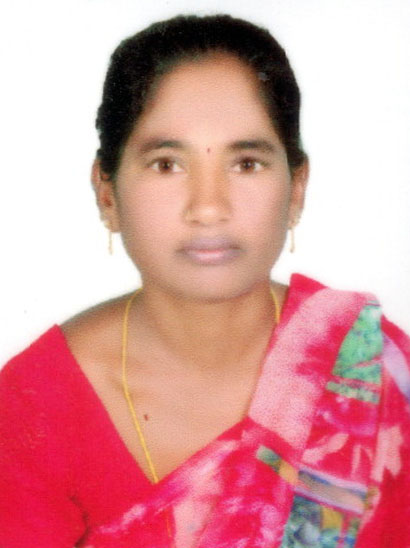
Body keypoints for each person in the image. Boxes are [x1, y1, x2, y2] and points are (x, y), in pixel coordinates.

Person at [0, 13, 409, 548]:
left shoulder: (370, 373)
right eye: (166, 164)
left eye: (247, 163)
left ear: (296, 189)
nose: (209, 207)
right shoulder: (36, 403)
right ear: (107, 192)